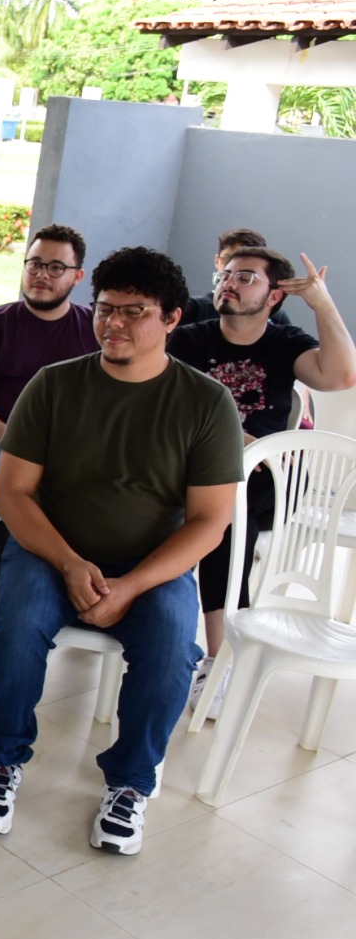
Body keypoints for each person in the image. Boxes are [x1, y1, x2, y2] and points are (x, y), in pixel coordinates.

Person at [0, 246, 242, 856]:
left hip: (153, 563)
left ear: (172, 318)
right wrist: (67, 562)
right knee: (16, 627)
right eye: (106, 309)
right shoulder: (56, 386)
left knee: (174, 647)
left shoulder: (205, 403)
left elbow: (209, 522)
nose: (113, 323)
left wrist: (135, 585)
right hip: (50, 549)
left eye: (134, 312)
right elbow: (14, 494)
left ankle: (129, 785)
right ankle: (2, 761)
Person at [168, 246, 356, 717]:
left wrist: (322, 303)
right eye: (226, 274)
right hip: (191, 467)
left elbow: (341, 375)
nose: (229, 282)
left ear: (274, 296)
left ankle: (217, 658)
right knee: (207, 504)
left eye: (246, 277)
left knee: (229, 514)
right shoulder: (190, 339)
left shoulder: (285, 343)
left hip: (262, 477)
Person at [0, 223, 98, 604]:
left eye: (55, 267)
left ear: (78, 276)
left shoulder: (92, 330)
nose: (41, 274)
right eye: (34, 264)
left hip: (66, 451)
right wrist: (13, 438)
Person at [178, 227, 291, 328]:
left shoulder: (277, 319)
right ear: (216, 261)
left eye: (245, 276)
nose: (233, 267)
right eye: (228, 259)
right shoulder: (193, 309)